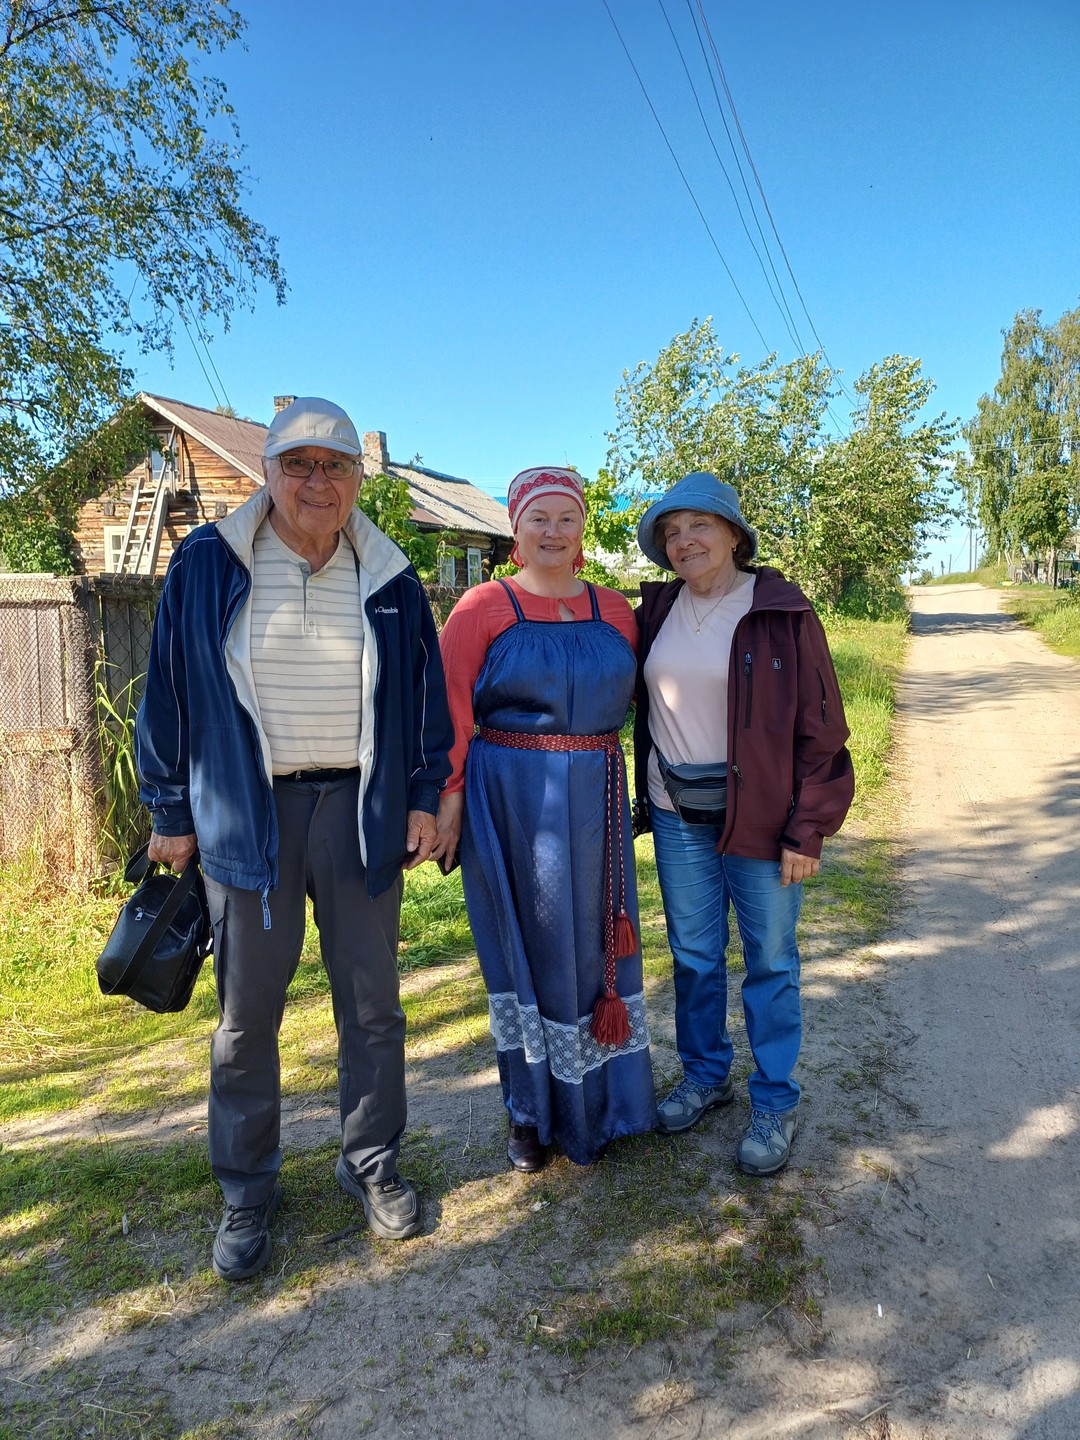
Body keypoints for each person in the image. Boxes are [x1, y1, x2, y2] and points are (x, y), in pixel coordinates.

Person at [135, 397, 452, 1280]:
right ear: (266, 473)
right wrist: (169, 810)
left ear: (358, 479)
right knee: (246, 1020)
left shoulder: (388, 574)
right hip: (247, 813)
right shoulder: (209, 561)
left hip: (360, 812)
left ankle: (372, 1163)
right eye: (299, 464)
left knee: (373, 1006)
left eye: (336, 465)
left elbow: (426, 702)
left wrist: (425, 794)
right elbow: (167, 691)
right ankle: (246, 1191)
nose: (318, 482)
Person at [433, 467, 655, 1171]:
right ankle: (528, 1111)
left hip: (597, 796)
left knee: (597, 948)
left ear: (583, 528)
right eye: (539, 519)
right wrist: (448, 800)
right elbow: (449, 715)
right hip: (511, 804)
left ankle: (608, 1102)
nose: (553, 532)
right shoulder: (481, 607)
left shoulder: (617, 611)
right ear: (515, 529)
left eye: (566, 519)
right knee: (523, 950)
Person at [633, 471, 853, 1176]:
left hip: (762, 819)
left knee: (770, 963)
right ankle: (705, 1075)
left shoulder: (781, 610)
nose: (683, 540)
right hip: (677, 818)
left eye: (698, 525)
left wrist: (808, 828)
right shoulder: (655, 609)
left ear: (734, 534)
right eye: (671, 531)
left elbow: (822, 730)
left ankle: (775, 1100)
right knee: (695, 958)